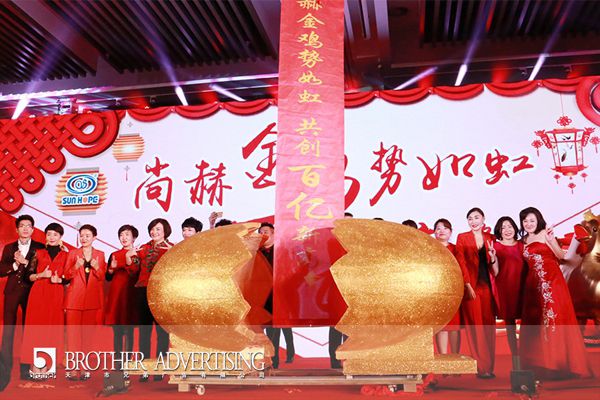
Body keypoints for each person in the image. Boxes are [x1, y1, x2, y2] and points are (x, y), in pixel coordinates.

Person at [519, 207, 593, 379]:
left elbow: (561, 257)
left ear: (538, 220)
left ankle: (560, 364)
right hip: (533, 286)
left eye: (532, 220)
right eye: (525, 221)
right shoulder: (523, 240)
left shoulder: (546, 234)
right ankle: (542, 365)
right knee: (537, 322)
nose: (528, 224)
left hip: (552, 282)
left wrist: (552, 240)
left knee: (555, 318)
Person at [0, 215, 44, 390]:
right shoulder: (9, 247)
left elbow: (42, 268)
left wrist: (25, 262)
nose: (25, 228)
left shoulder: (39, 247)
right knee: (8, 332)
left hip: (31, 292)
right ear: (17, 229)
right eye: (22, 226)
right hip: (11, 292)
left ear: (33, 229)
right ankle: (4, 371)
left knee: (29, 331)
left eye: (28, 226)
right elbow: (1, 269)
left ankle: (26, 370)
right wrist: (15, 265)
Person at [20, 223, 68, 379]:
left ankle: (48, 366)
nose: (52, 237)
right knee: (36, 330)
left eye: (55, 234)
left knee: (52, 330)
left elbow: (69, 278)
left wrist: (59, 279)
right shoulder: (38, 253)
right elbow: (28, 276)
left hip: (56, 294)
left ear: (60, 237)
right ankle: (35, 366)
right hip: (38, 294)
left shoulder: (66, 255)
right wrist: (42, 275)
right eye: (49, 234)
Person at [127, 218, 173, 382]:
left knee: (162, 333)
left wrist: (173, 254)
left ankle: (160, 369)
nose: (154, 232)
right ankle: (144, 369)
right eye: (152, 229)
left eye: (158, 229)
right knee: (144, 332)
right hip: (143, 291)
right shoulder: (143, 248)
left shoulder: (172, 248)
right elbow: (133, 270)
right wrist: (129, 257)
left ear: (165, 231)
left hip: (162, 293)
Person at [455, 207, 497, 379]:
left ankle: (489, 367)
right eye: (470, 218)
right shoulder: (462, 237)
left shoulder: (490, 238)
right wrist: (467, 285)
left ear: (483, 219)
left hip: (488, 287)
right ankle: (481, 367)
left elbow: (494, 265)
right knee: (475, 327)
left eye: (476, 217)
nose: (473, 221)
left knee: (488, 326)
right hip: (471, 288)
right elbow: (461, 262)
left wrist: (493, 257)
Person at [64, 224, 106, 380]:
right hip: (74, 300)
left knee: (88, 335)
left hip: (91, 300)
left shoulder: (100, 254)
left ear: (94, 237)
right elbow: (66, 275)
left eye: (87, 236)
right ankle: (73, 369)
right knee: (73, 335)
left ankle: (84, 368)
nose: (84, 238)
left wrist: (96, 267)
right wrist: (76, 266)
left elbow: (102, 277)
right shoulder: (72, 253)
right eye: (81, 235)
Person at [492, 216, 527, 370]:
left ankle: (528, 356)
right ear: (499, 231)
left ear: (515, 228)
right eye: (503, 227)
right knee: (510, 324)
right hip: (505, 288)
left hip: (524, 288)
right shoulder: (496, 247)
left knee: (528, 323)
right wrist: (492, 258)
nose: (507, 230)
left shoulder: (522, 245)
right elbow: (496, 272)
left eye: (510, 226)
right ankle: (516, 360)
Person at [259, 222, 295, 368]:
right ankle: (269, 359)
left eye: (266, 232)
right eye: (261, 232)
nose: (263, 235)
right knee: (267, 328)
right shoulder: (258, 251)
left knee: (278, 327)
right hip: (263, 295)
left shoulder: (281, 250)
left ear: (273, 233)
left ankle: (275, 360)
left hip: (279, 293)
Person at [105, 225, 139, 368]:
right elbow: (108, 277)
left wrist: (128, 261)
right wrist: (111, 268)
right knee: (117, 330)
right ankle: (118, 361)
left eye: (127, 235)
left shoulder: (137, 254)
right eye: (121, 235)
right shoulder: (114, 254)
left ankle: (128, 361)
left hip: (130, 294)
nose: (124, 238)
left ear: (134, 237)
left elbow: (137, 274)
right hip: (116, 295)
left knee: (129, 330)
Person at [328, 212, 353, 368]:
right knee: (336, 326)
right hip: (336, 289)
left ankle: (350, 359)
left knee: (352, 327)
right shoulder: (332, 242)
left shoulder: (357, 242)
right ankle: (334, 359)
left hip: (353, 290)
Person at [433, 218, 461, 355]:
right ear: (434, 232)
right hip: (436, 291)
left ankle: (455, 358)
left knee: (454, 325)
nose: (441, 231)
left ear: (450, 232)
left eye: (445, 228)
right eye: (438, 228)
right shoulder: (431, 248)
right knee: (441, 325)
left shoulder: (456, 249)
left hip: (454, 291)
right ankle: (443, 359)